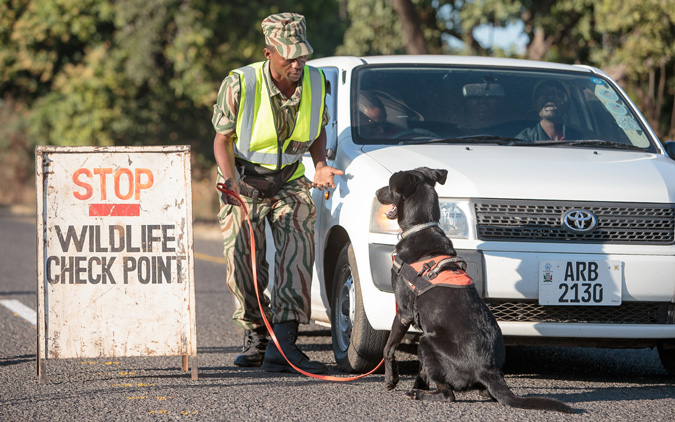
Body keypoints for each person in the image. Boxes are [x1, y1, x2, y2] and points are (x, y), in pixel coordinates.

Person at [211, 12, 343, 374]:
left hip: (289, 180)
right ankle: (257, 334)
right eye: (290, 57)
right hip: (244, 179)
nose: (298, 63)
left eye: (303, 55)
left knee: (296, 254)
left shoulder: (316, 82)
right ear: (269, 52)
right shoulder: (240, 83)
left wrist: (319, 165)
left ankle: (283, 345)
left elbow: (317, 129)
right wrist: (230, 182)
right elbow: (221, 141)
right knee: (243, 262)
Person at [515, 80, 584, 141]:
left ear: (567, 104)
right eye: (542, 93)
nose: (550, 97)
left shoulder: (582, 139)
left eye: (559, 94)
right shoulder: (523, 141)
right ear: (534, 103)